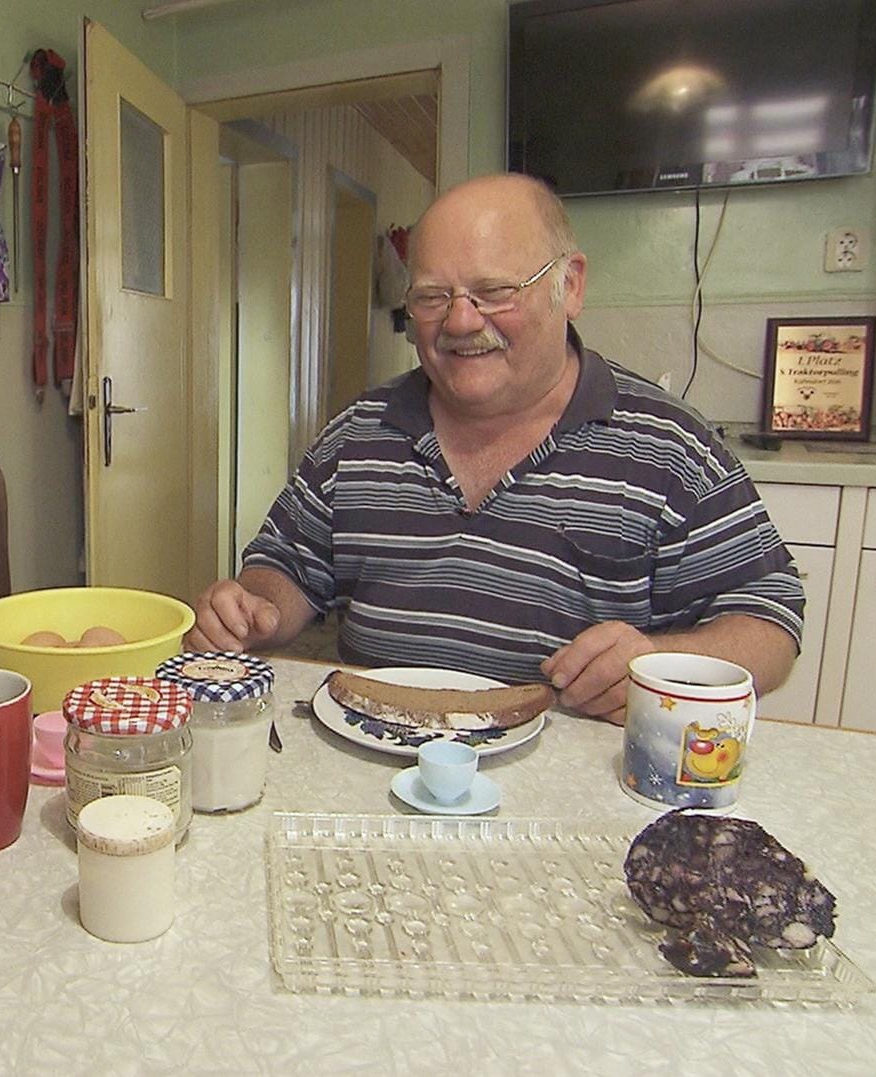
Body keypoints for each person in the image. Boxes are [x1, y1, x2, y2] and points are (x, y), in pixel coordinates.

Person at [186, 174, 803, 723]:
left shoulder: (670, 446)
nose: (459, 322)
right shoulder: (358, 432)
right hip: (373, 759)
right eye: (432, 296)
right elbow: (287, 566)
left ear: (572, 286)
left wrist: (659, 660)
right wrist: (252, 608)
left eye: (495, 290)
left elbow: (770, 625)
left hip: (572, 791)